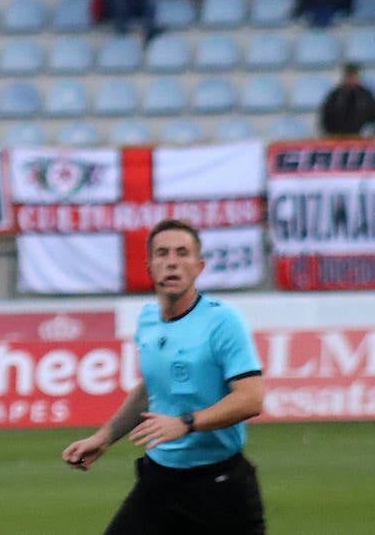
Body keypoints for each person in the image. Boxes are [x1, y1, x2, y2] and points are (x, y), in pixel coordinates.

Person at [62, 219, 266, 534]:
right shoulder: (147, 320)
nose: (172, 261)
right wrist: (103, 439)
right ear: (150, 267)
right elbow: (150, 390)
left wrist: (185, 423)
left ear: (199, 266)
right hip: (159, 482)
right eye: (162, 253)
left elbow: (251, 399)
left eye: (182, 253)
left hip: (219, 487)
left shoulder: (222, 321)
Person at [319, 62, 375, 136]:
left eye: (354, 76)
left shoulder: (366, 95)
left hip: (362, 139)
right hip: (340, 138)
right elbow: (326, 118)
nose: (352, 79)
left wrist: (369, 130)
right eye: (350, 76)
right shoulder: (335, 95)